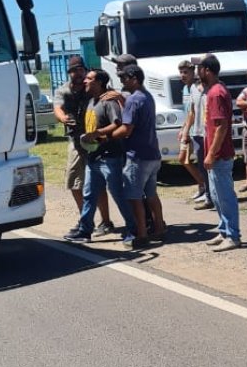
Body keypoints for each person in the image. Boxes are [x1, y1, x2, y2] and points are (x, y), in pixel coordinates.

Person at [63, 70, 134, 242]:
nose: (85, 81)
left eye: (89, 78)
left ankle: (133, 229)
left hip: (110, 157)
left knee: (117, 193)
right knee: (89, 194)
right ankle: (85, 230)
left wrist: (97, 133)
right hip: (93, 157)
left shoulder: (108, 102)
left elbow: (117, 123)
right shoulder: (91, 102)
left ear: (100, 83)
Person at [54, 56, 113, 235]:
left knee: (99, 183)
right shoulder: (64, 90)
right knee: (74, 182)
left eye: (80, 70)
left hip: (96, 141)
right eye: (74, 71)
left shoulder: (92, 87)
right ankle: (86, 220)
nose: (78, 74)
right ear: (69, 73)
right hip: (76, 141)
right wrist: (63, 118)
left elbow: (108, 97)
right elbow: (57, 107)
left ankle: (106, 222)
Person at [111, 65, 165, 249]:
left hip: (137, 156)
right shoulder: (147, 96)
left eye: (124, 78)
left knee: (134, 197)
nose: (122, 81)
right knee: (151, 195)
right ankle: (159, 228)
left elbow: (127, 129)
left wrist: (107, 136)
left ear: (134, 78)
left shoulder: (133, 100)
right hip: (152, 153)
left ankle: (142, 234)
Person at [195, 53, 240, 251]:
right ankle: (224, 230)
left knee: (224, 196)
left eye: (199, 69)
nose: (197, 72)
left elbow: (221, 126)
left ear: (207, 70)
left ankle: (233, 235)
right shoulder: (212, 91)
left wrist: (211, 154)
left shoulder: (216, 93)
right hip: (216, 154)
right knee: (215, 194)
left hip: (220, 154)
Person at [176, 59, 208, 203]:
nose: (183, 75)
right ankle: (202, 186)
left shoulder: (197, 87)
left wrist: (186, 131)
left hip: (197, 130)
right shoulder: (185, 89)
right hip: (189, 129)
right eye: (181, 72)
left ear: (192, 72)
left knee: (193, 160)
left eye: (186, 72)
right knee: (184, 159)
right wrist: (183, 128)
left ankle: (205, 188)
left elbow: (194, 113)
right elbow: (188, 111)